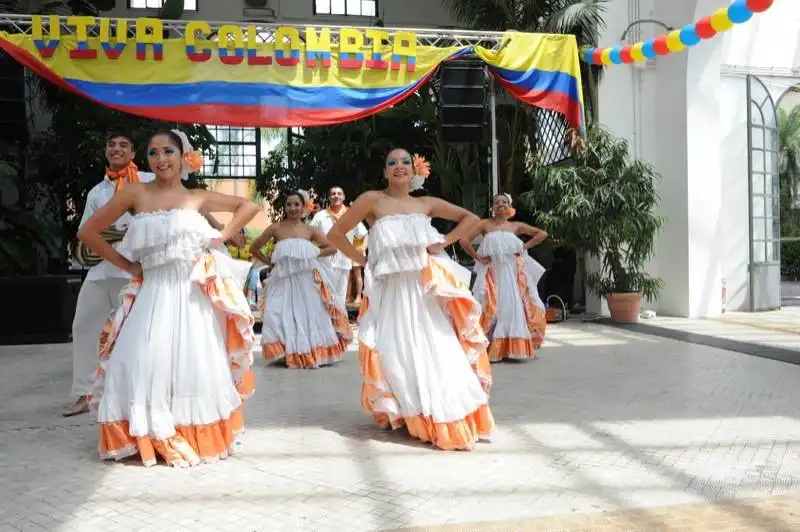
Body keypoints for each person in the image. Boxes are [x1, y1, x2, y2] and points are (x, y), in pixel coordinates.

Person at [77, 130, 260, 467]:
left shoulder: (197, 197)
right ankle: (142, 432)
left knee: (193, 366)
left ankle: (190, 432)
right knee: (136, 362)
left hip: (191, 298)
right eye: (153, 153)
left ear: (182, 156)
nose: (161, 159)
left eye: (168, 152)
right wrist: (128, 264)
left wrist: (221, 235)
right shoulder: (135, 192)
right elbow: (87, 232)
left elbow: (249, 206)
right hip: (152, 292)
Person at [327, 149, 494, 451]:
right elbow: (335, 233)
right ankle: (407, 412)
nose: (399, 166)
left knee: (437, 351)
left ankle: (442, 414)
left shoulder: (425, 204)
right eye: (392, 162)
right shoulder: (372, 200)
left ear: (414, 170)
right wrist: (361, 260)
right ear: (385, 170)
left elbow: (469, 218)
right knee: (395, 352)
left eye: (405, 162)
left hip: (423, 293)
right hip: (390, 294)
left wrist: (444, 242)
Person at [249, 190, 353, 369]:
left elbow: (331, 248)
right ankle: (287, 350)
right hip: (282, 281)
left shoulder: (310, 230)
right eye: (288, 204)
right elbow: (254, 247)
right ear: (284, 207)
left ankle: (309, 351)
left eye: (296, 204)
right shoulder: (276, 228)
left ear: (303, 206)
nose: (292, 208)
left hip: (307, 281)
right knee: (275, 314)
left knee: (311, 315)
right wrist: (269, 262)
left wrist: (312, 253)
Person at [460, 193, 549, 362]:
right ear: (492, 207)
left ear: (509, 206)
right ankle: (490, 346)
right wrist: (478, 257)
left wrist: (524, 246)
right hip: (492, 274)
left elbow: (542, 234)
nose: (500, 204)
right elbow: (464, 240)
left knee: (511, 308)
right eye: (496, 202)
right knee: (491, 306)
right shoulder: (485, 224)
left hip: (512, 275)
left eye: (504, 202)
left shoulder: (516, 226)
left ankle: (512, 348)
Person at [310, 187, 368, 307]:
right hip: (323, 262)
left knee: (340, 297)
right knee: (323, 295)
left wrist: (357, 250)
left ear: (343, 197)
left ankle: (339, 322)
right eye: (333, 194)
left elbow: (362, 233)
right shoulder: (320, 216)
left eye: (339, 194)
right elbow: (310, 234)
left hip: (343, 260)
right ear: (329, 197)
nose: (336, 196)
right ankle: (324, 323)